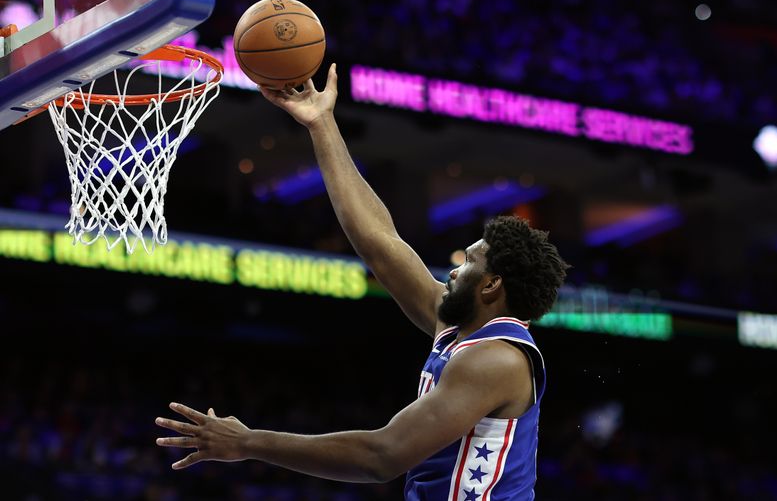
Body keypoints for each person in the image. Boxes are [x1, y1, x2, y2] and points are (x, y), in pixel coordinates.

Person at [155, 63, 569, 500]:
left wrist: (248, 442)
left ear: (491, 286)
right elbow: (378, 241)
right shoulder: (459, 329)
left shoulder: (495, 360)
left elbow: (381, 457)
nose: (452, 270)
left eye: (466, 263)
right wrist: (321, 123)